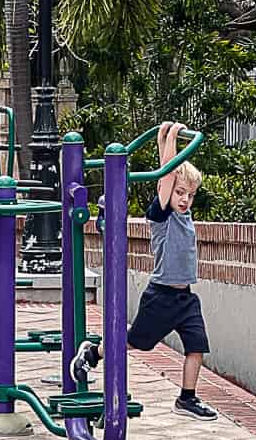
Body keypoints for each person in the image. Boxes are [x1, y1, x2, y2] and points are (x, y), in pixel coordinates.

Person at [71, 121, 218, 420]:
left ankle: (187, 398)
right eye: (179, 193)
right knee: (135, 342)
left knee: (197, 347)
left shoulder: (185, 215)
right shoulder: (162, 216)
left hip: (185, 298)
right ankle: (93, 352)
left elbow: (170, 176)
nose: (184, 199)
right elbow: (166, 175)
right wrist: (172, 137)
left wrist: (164, 138)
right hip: (161, 296)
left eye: (189, 195)